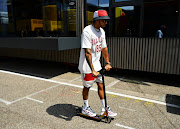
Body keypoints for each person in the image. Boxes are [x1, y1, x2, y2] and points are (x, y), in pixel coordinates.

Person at [78, 9, 117, 117]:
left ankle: (104, 109)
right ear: (97, 20)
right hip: (87, 67)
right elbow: (87, 52)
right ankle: (85, 107)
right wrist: (92, 70)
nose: (106, 23)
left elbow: (104, 48)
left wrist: (107, 62)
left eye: (106, 21)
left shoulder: (101, 31)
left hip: (97, 65)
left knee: (101, 85)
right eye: (104, 20)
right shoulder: (87, 31)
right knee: (87, 87)